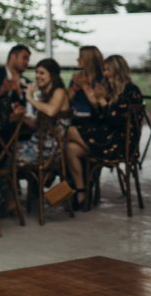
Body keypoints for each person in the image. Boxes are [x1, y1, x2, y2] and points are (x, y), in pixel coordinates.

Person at [63, 55, 143, 209]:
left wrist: (100, 100)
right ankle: (82, 192)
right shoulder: (114, 91)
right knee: (70, 148)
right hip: (109, 138)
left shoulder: (131, 91)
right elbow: (102, 118)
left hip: (122, 143)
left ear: (116, 70)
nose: (105, 74)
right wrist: (100, 100)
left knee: (70, 130)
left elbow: (116, 121)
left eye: (107, 70)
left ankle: (90, 169)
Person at [18, 58, 71, 165]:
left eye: (42, 73)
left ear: (52, 75)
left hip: (52, 149)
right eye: (36, 72)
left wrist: (30, 98)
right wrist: (22, 115)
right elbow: (37, 125)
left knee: (7, 159)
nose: (37, 76)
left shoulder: (59, 92)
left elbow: (51, 111)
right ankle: (36, 181)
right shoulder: (44, 96)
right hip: (40, 144)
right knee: (8, 150)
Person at [67, 46, 106, 120]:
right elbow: (67, 99)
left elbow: (96, 103)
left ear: (89, 60)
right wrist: (75, 87)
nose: (77, 59)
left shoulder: (101, 78)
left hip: (93, 118)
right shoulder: (77, 76)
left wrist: (83, 85)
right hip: (75, 115)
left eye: (80, 57)